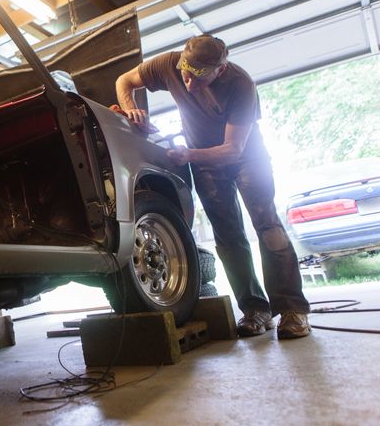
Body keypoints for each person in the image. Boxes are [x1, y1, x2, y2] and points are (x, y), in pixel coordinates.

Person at [114, 34, 311, 339]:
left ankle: (292, 309)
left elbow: (233, 149)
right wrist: (132, 110)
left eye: (199, 78)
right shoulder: (168, 64)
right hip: (206, 164)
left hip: (247, 158)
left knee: (267, 226)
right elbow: (125, 81)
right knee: (228, 235)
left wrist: (188, 155)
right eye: (185, 75)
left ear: (221, 70)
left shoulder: (240, 85)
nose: (189, 84)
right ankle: (255, 310)